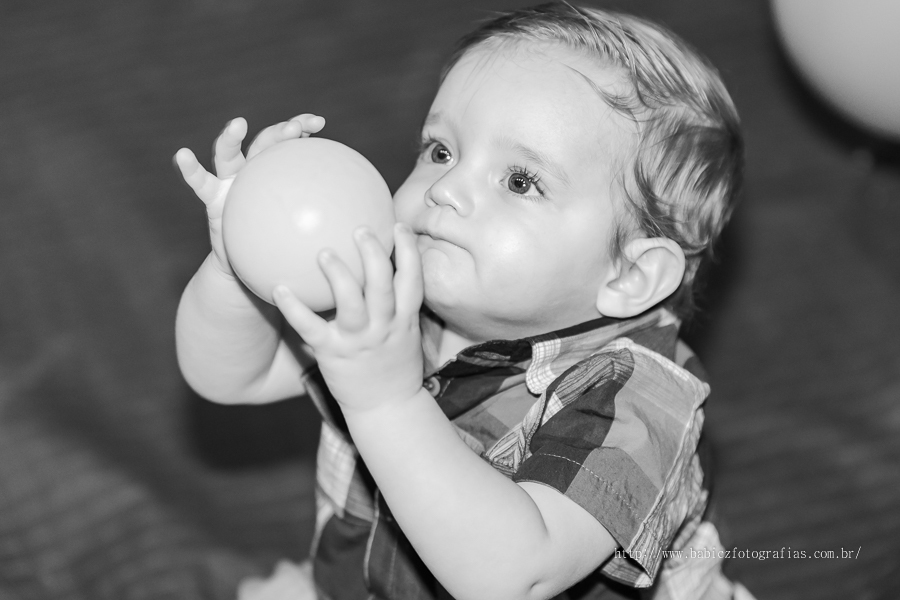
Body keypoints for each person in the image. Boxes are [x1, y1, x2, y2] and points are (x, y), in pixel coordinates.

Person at [174, 3, 754, 599]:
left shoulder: (640, 401)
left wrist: (386, 401)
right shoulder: (397, 295)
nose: (446, 189)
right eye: (441, 151)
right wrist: (237, 261)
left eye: (520, 181)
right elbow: (232, 377)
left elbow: (514, 576)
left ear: (630, 276)